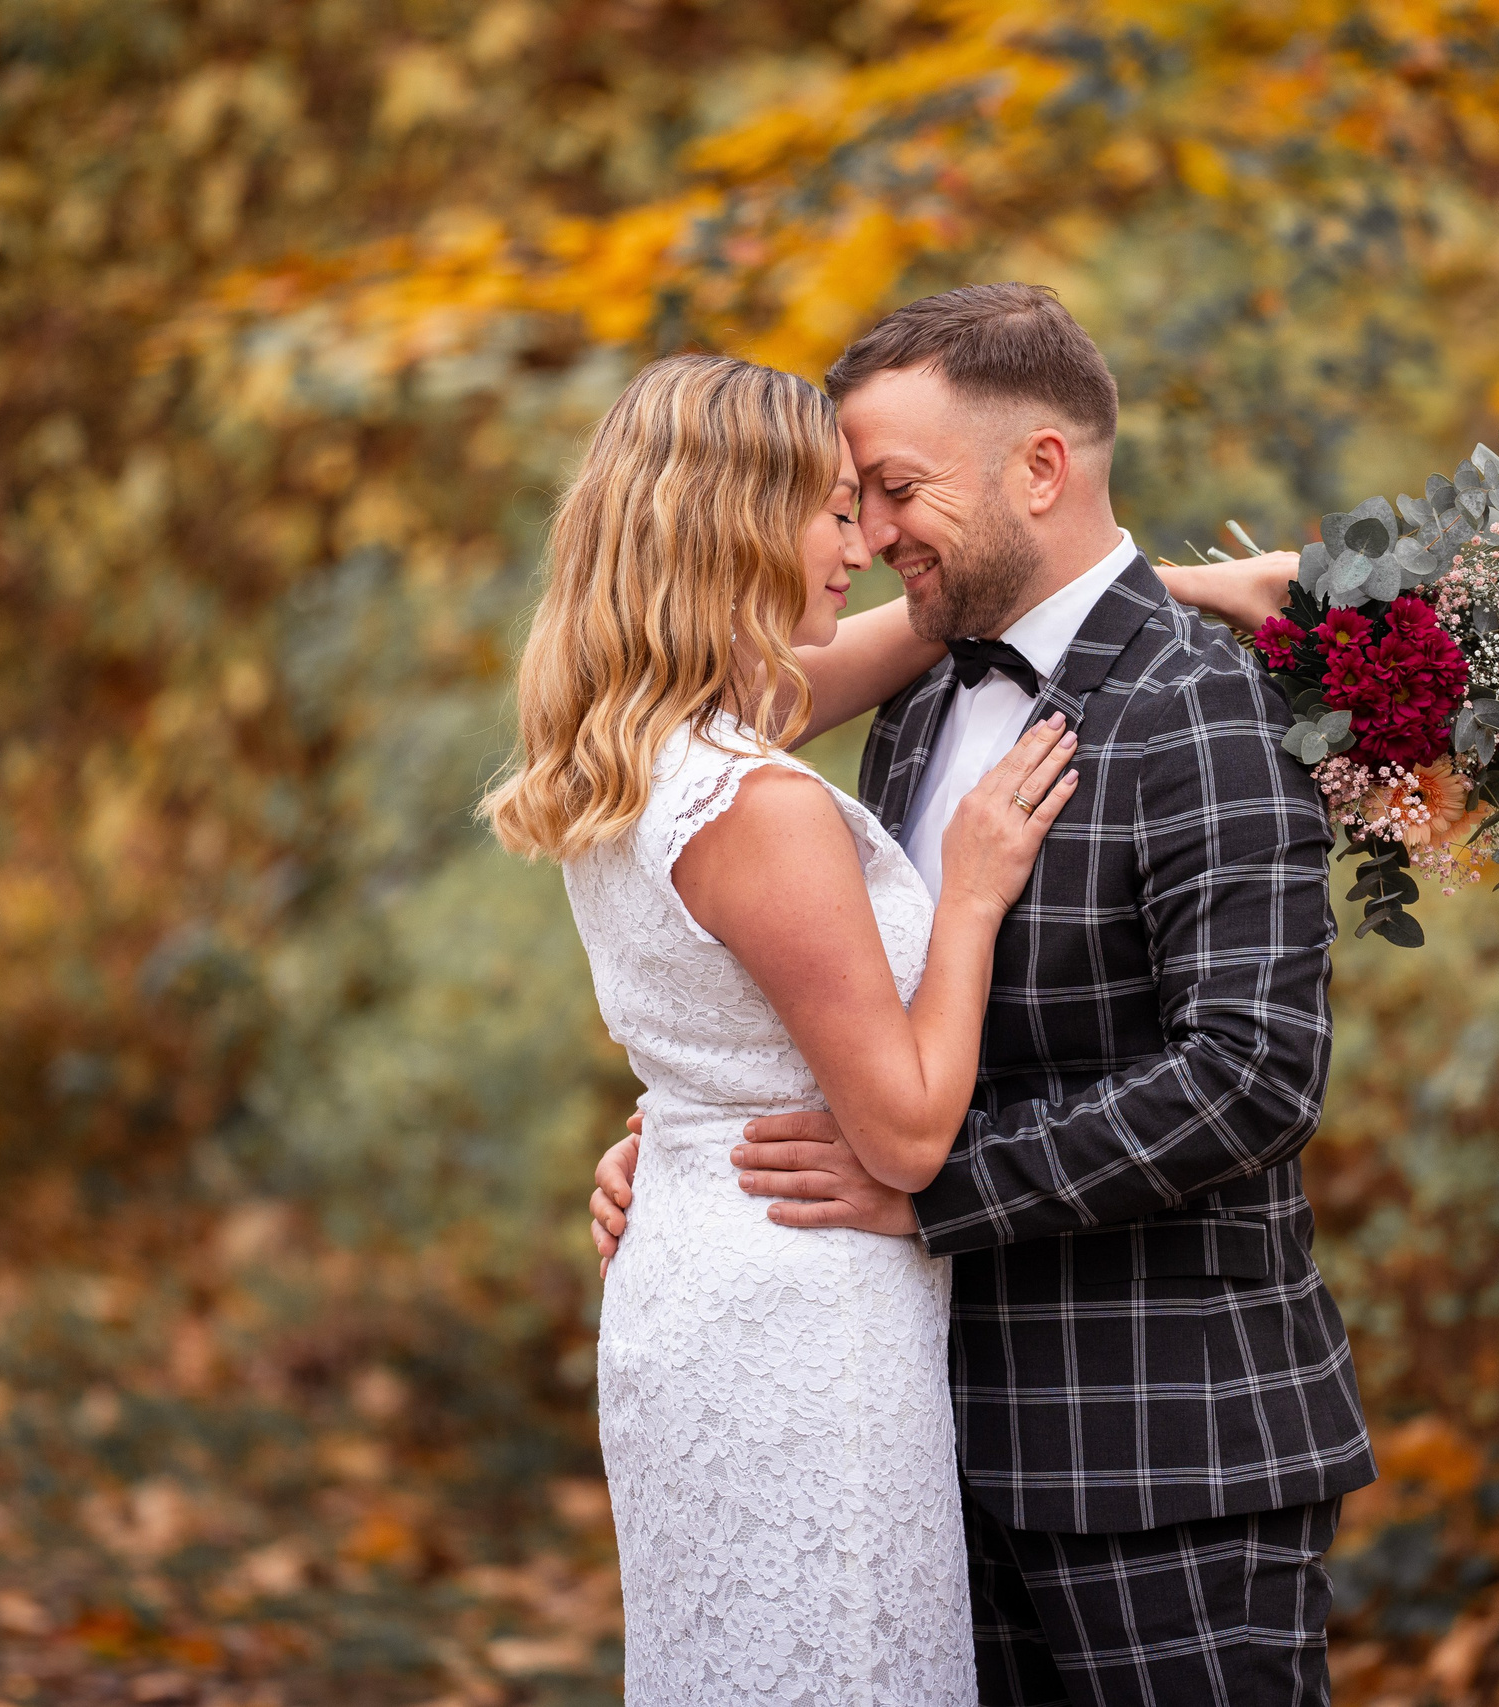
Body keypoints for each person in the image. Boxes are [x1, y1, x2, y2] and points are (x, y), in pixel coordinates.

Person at [588, 285, 1374, 1705]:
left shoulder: (1208, 704)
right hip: (918, 1438)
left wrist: (927, 1195)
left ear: (1040, 470)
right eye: (854, 502)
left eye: (894, 491)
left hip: (1162, 1449)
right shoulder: (922, 704)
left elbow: (1252, 1073)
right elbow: (834, 1000)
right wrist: (692, 1139)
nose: (871, 536)